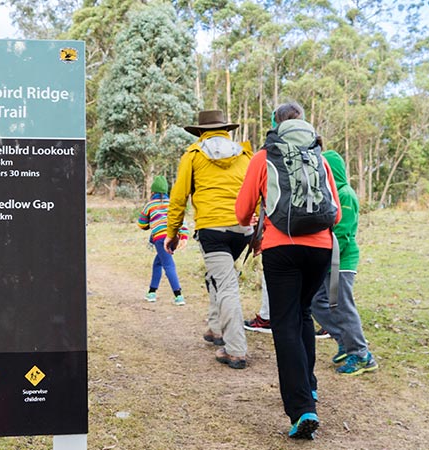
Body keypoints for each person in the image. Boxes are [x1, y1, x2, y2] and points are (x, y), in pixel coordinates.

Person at [235, 102, 341, 439]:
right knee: (303, 314)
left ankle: (301, 410)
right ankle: (309, 388)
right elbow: (335, 214)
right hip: (321, 248)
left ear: (275, 125)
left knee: (284, 323)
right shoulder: (319, 157)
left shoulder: (263, 156)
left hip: (282, 249)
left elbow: (241, 212)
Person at [165, 109, 253, 369]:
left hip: (212, 230)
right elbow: (256, 191)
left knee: (225, 285)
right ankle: (215, 329)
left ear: (201, 132)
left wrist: (172, 233)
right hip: (243, 229)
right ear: (226, 130)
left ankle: (236, 349)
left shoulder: (193, 155)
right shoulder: (245, 155)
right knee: (216, 277)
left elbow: (179, 197)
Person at [311, 150, 378, 375]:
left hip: (342, 260)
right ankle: (344, 342)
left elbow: (342, 232)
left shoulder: (345, 194)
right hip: (326, 260)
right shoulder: (327, 193)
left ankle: (361, 355)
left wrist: (320, 249)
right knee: (316, 302)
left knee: (343, 306)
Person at [137, 175, 188, 306]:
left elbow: (141, 224)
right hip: (174, 237)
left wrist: (151, 223)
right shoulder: (171, 204)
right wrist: (184, 236)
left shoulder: (150, 205)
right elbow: (181, 220)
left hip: (160, 238)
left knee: (168, 265)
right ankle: (152, 292)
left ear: (153, 192)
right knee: (158, 263)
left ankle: (179, 295)